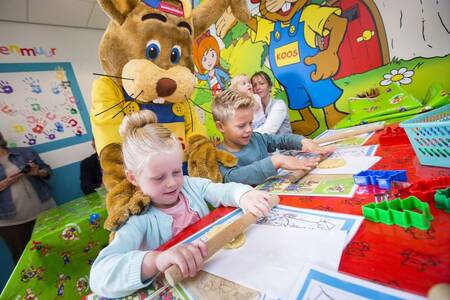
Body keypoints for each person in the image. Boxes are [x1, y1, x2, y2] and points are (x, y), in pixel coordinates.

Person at [89, 110, 272, 298]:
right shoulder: (137, 219)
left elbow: (223, 191)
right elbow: (99, 276)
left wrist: (244, 195)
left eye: (176, 171)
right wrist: (156, 260)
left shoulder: (190, 186)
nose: (172, 183)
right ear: (133, 178)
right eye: (159, 177)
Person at [212, 89, 334, 185]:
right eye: (241, 126)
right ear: (221, 126)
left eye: (250, 123)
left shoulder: (256, 138)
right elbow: (232, 177)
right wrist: (275, 161)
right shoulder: (219, 156)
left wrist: (302, 141)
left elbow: (281, 140)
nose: (249, 129)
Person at [0, 131, 56, 263]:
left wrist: (37, 172)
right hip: (12, 224)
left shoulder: (25, 153)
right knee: (27, 261)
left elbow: (47, 171)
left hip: (46, 211)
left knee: (59, 248)